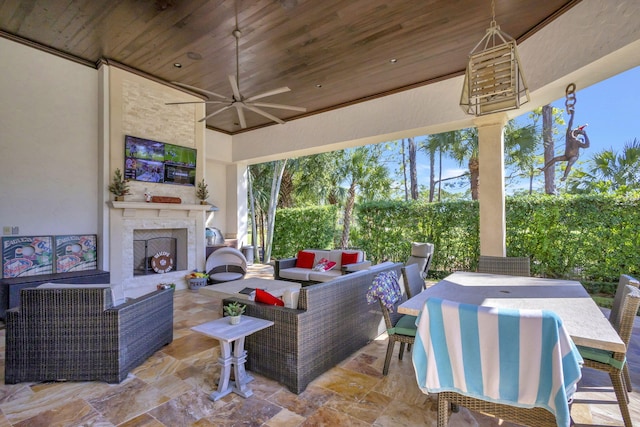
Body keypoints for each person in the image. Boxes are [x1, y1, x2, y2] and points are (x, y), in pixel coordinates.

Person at [540, 108, 590, 181]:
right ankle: (545, 168)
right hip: (566, 156)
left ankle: (565, 176)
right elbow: (570, 124)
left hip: (574, 156)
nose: (571, 132)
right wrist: (572, 115)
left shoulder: (577, 142)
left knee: (570, 163)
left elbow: (587, 145)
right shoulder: (568, 137)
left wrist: (585, 135)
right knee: (555, 159)